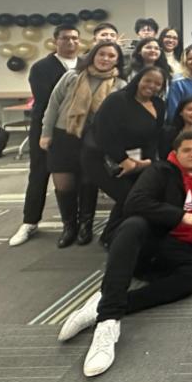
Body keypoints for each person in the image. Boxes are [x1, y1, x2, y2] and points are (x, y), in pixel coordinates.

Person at [57, 131, 192, 378]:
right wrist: (180, 216)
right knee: (133, 225)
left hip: (181, 245)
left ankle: (108, 304)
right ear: (175, 152)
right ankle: (108, 321)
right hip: (150, 238)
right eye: (187, 150)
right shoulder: (160, 171)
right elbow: (134, 203)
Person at [33, 42, 126, 248]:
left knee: (88, 182)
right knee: (64, 185)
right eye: (102, 54)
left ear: (117, 60)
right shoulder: (72, 76)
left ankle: (86, 226)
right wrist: (45, 133)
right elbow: (53, 105)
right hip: (64, 135)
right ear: (93, 55)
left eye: (111, 56)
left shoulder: (120, 85)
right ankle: (69, 227)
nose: (106, 59)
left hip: (93, 140)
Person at [12, 25, 81, 247]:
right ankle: (30, 221)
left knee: (75, 176)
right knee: (39, 173)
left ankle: (73, 223)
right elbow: (49, 99)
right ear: (55, 41)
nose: (70, 42)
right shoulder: (41, 67)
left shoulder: (85, 64)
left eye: (74, 38)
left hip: (75, 129)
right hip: (46, 127)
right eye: (65, 38)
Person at [84, 67, 166, 246]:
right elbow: (102, 134)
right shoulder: (117, 100)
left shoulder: (159, 105)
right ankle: (111, 236)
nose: (151, 86)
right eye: (148, 80)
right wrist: (124, 160)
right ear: (138, 79)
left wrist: (149, 161)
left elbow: (154, 137)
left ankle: (112, 234)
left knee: (136, 197)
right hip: (104, 160)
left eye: (157, 83)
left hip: (138, 161)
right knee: (129, 197)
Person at [166, 47, 192, 123]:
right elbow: (173, 109)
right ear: (185, 62)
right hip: (186, 126)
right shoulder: (178, 82)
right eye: (190, 59)